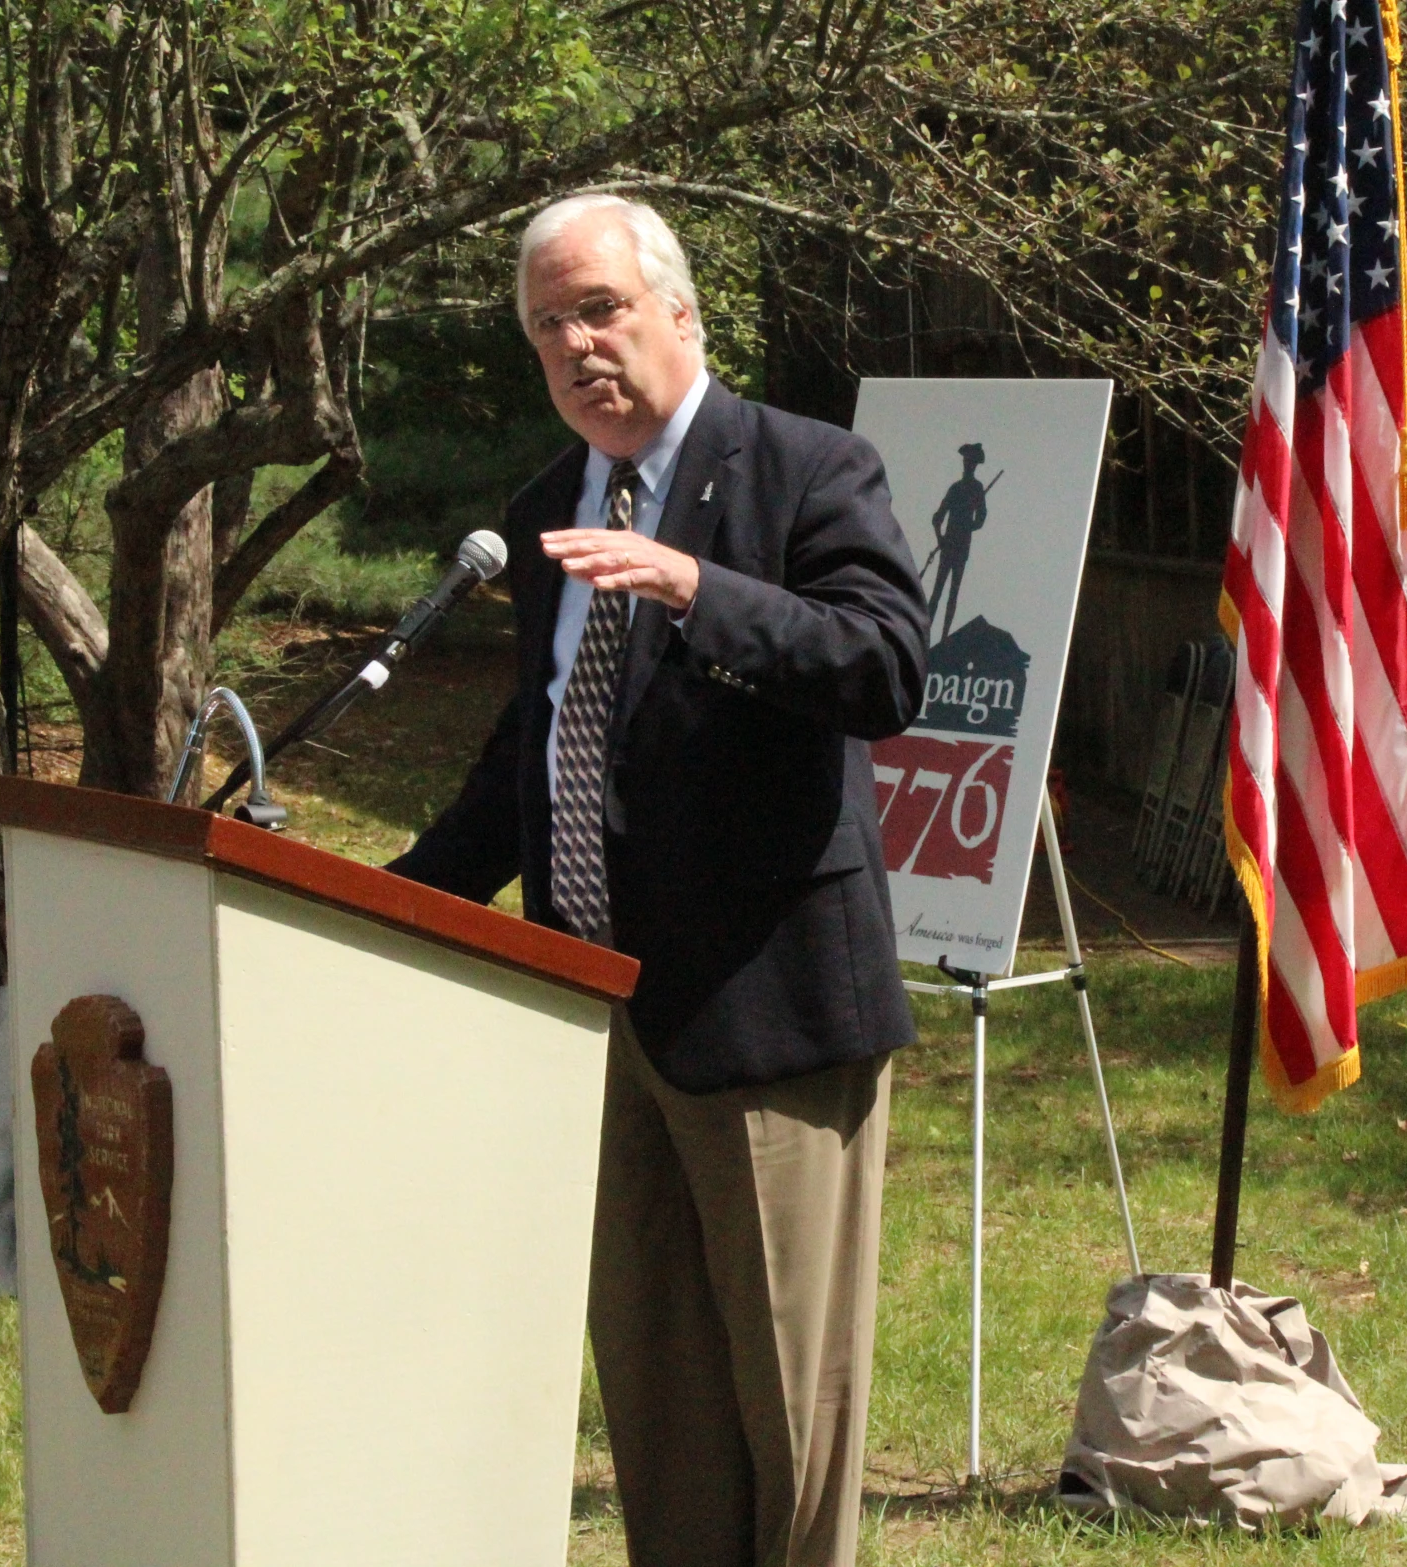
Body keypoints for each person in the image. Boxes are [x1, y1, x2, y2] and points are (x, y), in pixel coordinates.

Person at [387, 193, 928, 1567]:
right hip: (594, 1011)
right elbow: (540, 735)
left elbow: (882, 668)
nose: (574, 345)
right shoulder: (542, 504)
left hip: (765, 1007)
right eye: (545, 326)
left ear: (680, 312)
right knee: (659, 1397)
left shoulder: (807, 467)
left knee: (789, 1408)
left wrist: (694, 584)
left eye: (599, 309)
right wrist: (399, 900)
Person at [924, 441, 988, 641]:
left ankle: (944, 637)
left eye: (970, 462)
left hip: (961, 547)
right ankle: (926, 635)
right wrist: (941, 539)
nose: (967, 465)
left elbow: (981, 517)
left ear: (974, 465)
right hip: (950, 545)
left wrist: (970, 525)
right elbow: (937, 518)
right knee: (937, 592)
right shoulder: (956, 488)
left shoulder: (977, 489)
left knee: (953, 592)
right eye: (966, 461)